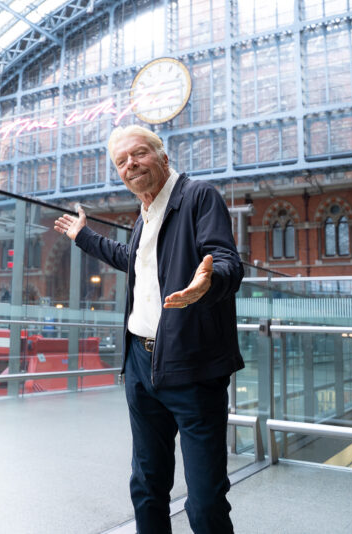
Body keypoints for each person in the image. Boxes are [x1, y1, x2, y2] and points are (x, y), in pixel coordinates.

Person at [54, 125, 244, 533]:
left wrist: (209, 282)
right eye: (121, 162)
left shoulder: (198, 197)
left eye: (138, 154)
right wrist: (83, 236)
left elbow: (226, 258)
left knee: (206, 501)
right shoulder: (145, 211)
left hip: (192, 366)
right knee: (147, 485)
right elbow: (135, 260)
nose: (130, 165)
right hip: (141, 365)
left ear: (164, 157)